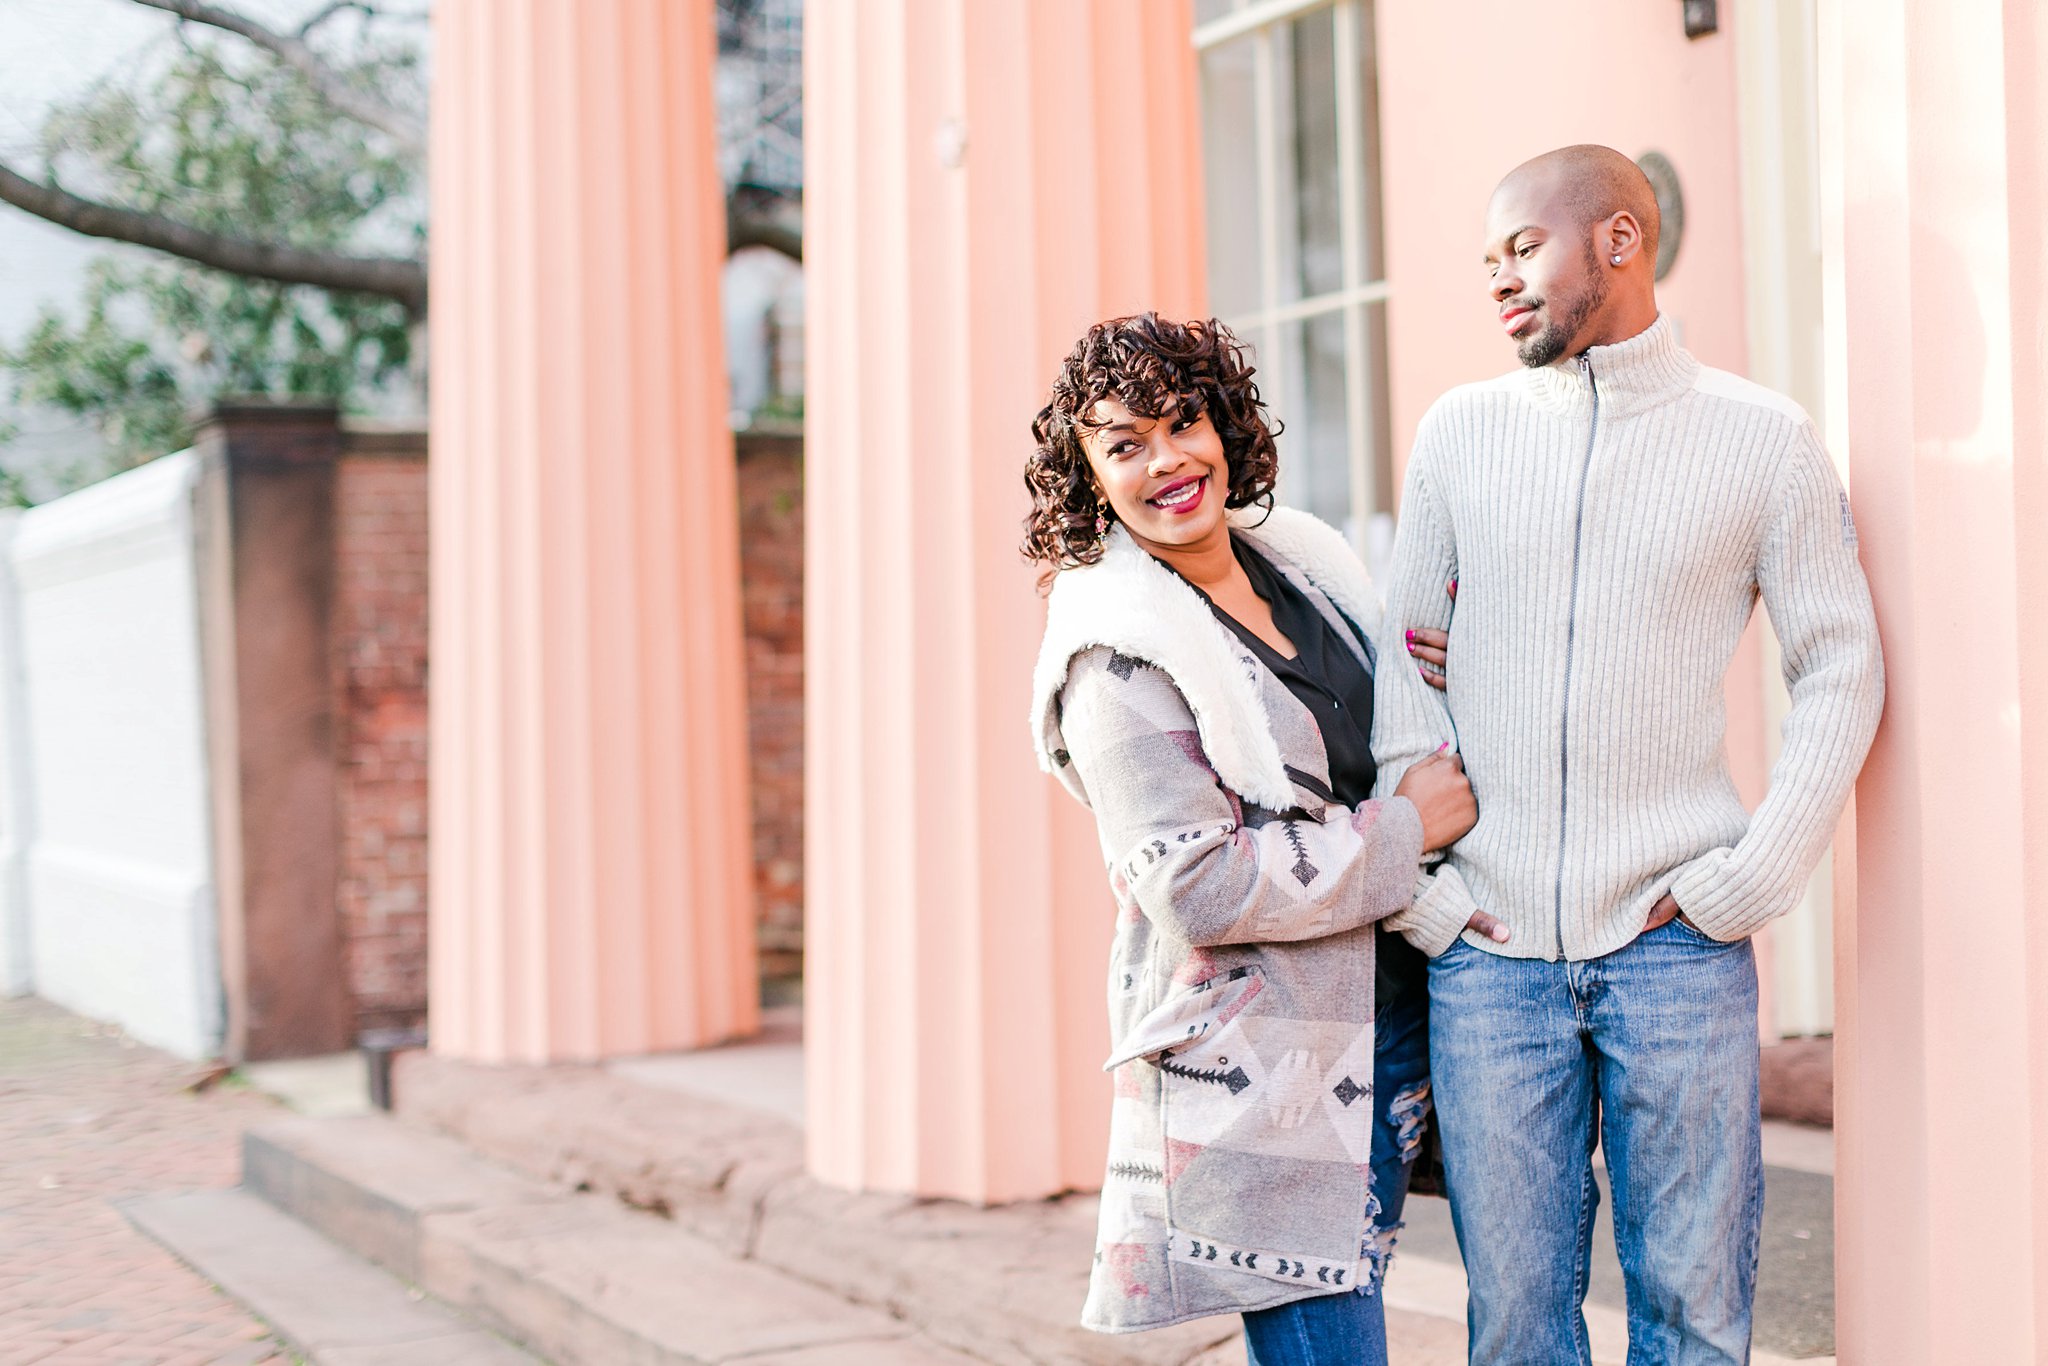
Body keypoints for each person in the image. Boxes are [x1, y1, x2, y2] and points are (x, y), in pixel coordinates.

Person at [1372, 145, 1884, 1365]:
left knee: (1696, 1317)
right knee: (1512, 1326)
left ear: (1616, 239)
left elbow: (1841, 661)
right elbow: (1398, 673)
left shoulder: (1761, 438)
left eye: (1521, 247)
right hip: (1487, 956)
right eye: (1484, 259)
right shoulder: (1458, 431)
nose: (1497, 279)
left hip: (1677, 947)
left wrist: (1746, 882)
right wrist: (1430, 905)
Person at [1024, 312, 1501, 1364]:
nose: (1166, 461)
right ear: (1088, 477)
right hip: (1270, 1063)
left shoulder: (1307, 571)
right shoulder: (1114, 658)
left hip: (1407, 1011)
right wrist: (1403, 831)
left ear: (1222, 423)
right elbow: (1192, 883)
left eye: (1181, 421)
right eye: (1124, 445)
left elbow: (1377, 738)